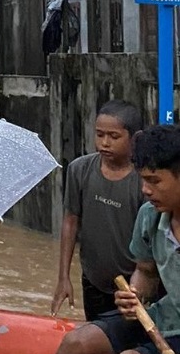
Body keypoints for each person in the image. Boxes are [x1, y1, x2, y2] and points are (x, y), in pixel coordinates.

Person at [40, 124, 180, 354]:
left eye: (154, 181)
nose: (145, 190)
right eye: (143, 180)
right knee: (75, 345)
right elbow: (147, 270)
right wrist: (135, 294)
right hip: (165, 317)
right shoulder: (150, 216)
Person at [51, 100, 145, 321]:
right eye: (100, 134)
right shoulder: (79, 170)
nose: (104, 143)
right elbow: (70, 221)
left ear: (135, 138)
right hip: (93, 280)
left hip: (134, 285)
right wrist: (63, 277)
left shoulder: (144, 181)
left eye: (114, 137)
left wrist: (141, 286)